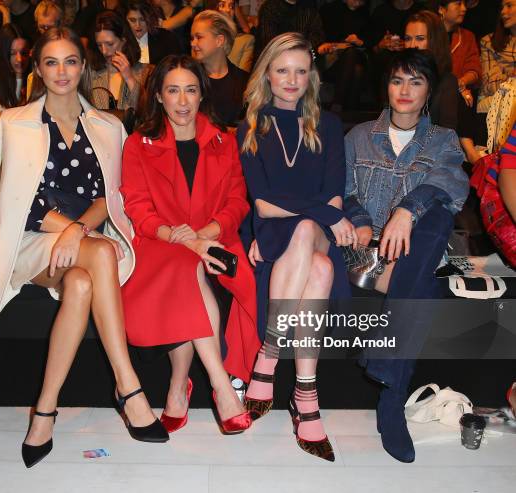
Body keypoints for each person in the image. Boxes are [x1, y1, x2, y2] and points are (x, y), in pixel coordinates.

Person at [0, 27, 169, 469]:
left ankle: (44, 410)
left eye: (70, 61)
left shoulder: (109, 126)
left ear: (83, 66)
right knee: (102, 253)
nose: (62, 71)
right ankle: (128, 387)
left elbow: (111, 197)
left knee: (81, 285)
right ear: (37, 69)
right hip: (29, 240)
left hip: (85, 240)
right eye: (51, 62)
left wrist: (77, 232)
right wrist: (69, 231)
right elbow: (3, 199)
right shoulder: (13, 124)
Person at [120, 54, 259, 436]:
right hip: (158, 243)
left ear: (202, 95)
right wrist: (176, 236)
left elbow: (237, 201)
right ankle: (220, 386)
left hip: (216, 239)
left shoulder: (223, 139)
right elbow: (137, 207)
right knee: (184, 268)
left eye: (191, 90)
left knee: (191, 267)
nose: (182, 101)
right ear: (159, 97)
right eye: (173, 90)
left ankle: (178, 384)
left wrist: (204, 236)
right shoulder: (138, 144)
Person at [344, 49, 469, 462]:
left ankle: (390, 391)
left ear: (428, 90)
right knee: (424, 289)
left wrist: (406, 210)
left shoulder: (444, 139)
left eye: (415, 82)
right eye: (398, 80)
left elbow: (452, 189)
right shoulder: (358, 136)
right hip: (367, 254)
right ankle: (391, 399)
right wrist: (362, 219)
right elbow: (341, 192)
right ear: (387, 86)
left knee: (434, 216)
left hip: (417, 250)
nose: (404, 90)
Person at [238, 32, 356, 461]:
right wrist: (326, 214)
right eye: (282, 70)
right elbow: (264, 205)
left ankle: (268, 357)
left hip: (318, 229)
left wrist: (326, 215)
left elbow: (335, 195)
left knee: (309, 230)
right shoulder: (251, 127)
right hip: (277, 234)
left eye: (300, 71)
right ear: (266, 74)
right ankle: (306, 398)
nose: (291, 80)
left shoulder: (328, 124)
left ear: (312, 76)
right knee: (320, 270)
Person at [436, 0, 483, 162]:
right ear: (442, 9)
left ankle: (468, 150)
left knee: (466, 96)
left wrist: (462, 82)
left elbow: (475, 69)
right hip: (434, 88)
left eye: (464, 4)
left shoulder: (467, 37)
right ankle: (467, 148)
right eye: (457, 4)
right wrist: (457, 86)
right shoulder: (430, 35)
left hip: (460, 91)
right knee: (455, 93)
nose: (463, 9)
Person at [190, 9, 249, 126]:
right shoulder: (189, 78)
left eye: (199, 37)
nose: (192, 43)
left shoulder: (245, 83)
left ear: (219, 41)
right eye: (192, 38)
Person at [88, 10, 152, 111]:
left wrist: (129, 78)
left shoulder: (145, 72)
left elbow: (147, 112)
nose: (104, 51)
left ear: (124, 41)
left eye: (110, 44)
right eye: (99, 45)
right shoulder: (92, 74)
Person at [404, 11, 459, 130]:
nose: (412, 45)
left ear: (435, 42)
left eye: (420, 39)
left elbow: (447, 132)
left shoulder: (447, 82)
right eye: (408, 39)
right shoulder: (397, 77)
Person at [319, 0, 370, 111]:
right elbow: (322, 39)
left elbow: (370, 42)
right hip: (334, 58)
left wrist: (359, 41)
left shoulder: (365, 14)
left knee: (355, 61)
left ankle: (339, 105)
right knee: (357, 70)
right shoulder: (329, 10)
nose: (358, 3)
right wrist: (339, 43)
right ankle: (349, 110)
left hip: (357, 56)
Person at [0, 24, 31, 136]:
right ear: (3, 54)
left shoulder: (36, 81)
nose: (19, 59)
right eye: (13, 53)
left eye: (23, 53)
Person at [254, 0, 325, 61]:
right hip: (275, 59)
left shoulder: (309, 8)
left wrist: (303, 49)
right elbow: (269, 41)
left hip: (304, 56)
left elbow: (317, 36)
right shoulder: (270, 7)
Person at [478, 0, 516, 113]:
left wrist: (507, 76)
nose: (503, 12)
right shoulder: (489, 42)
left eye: (509, 6)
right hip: (495, 100)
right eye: (502, 7)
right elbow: (490, 85)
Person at [125, 0, 182, 65]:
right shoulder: (122, 40)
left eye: (142, 19)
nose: (138, 25)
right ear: (125, 20)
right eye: (132, 20)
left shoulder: (167, 39)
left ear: (149, 18)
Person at [207, 0, 255, 72]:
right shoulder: (206, 37)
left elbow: (243, 77)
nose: (228, 10)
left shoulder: (245, 41)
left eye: (231, 6)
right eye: (222, 5)